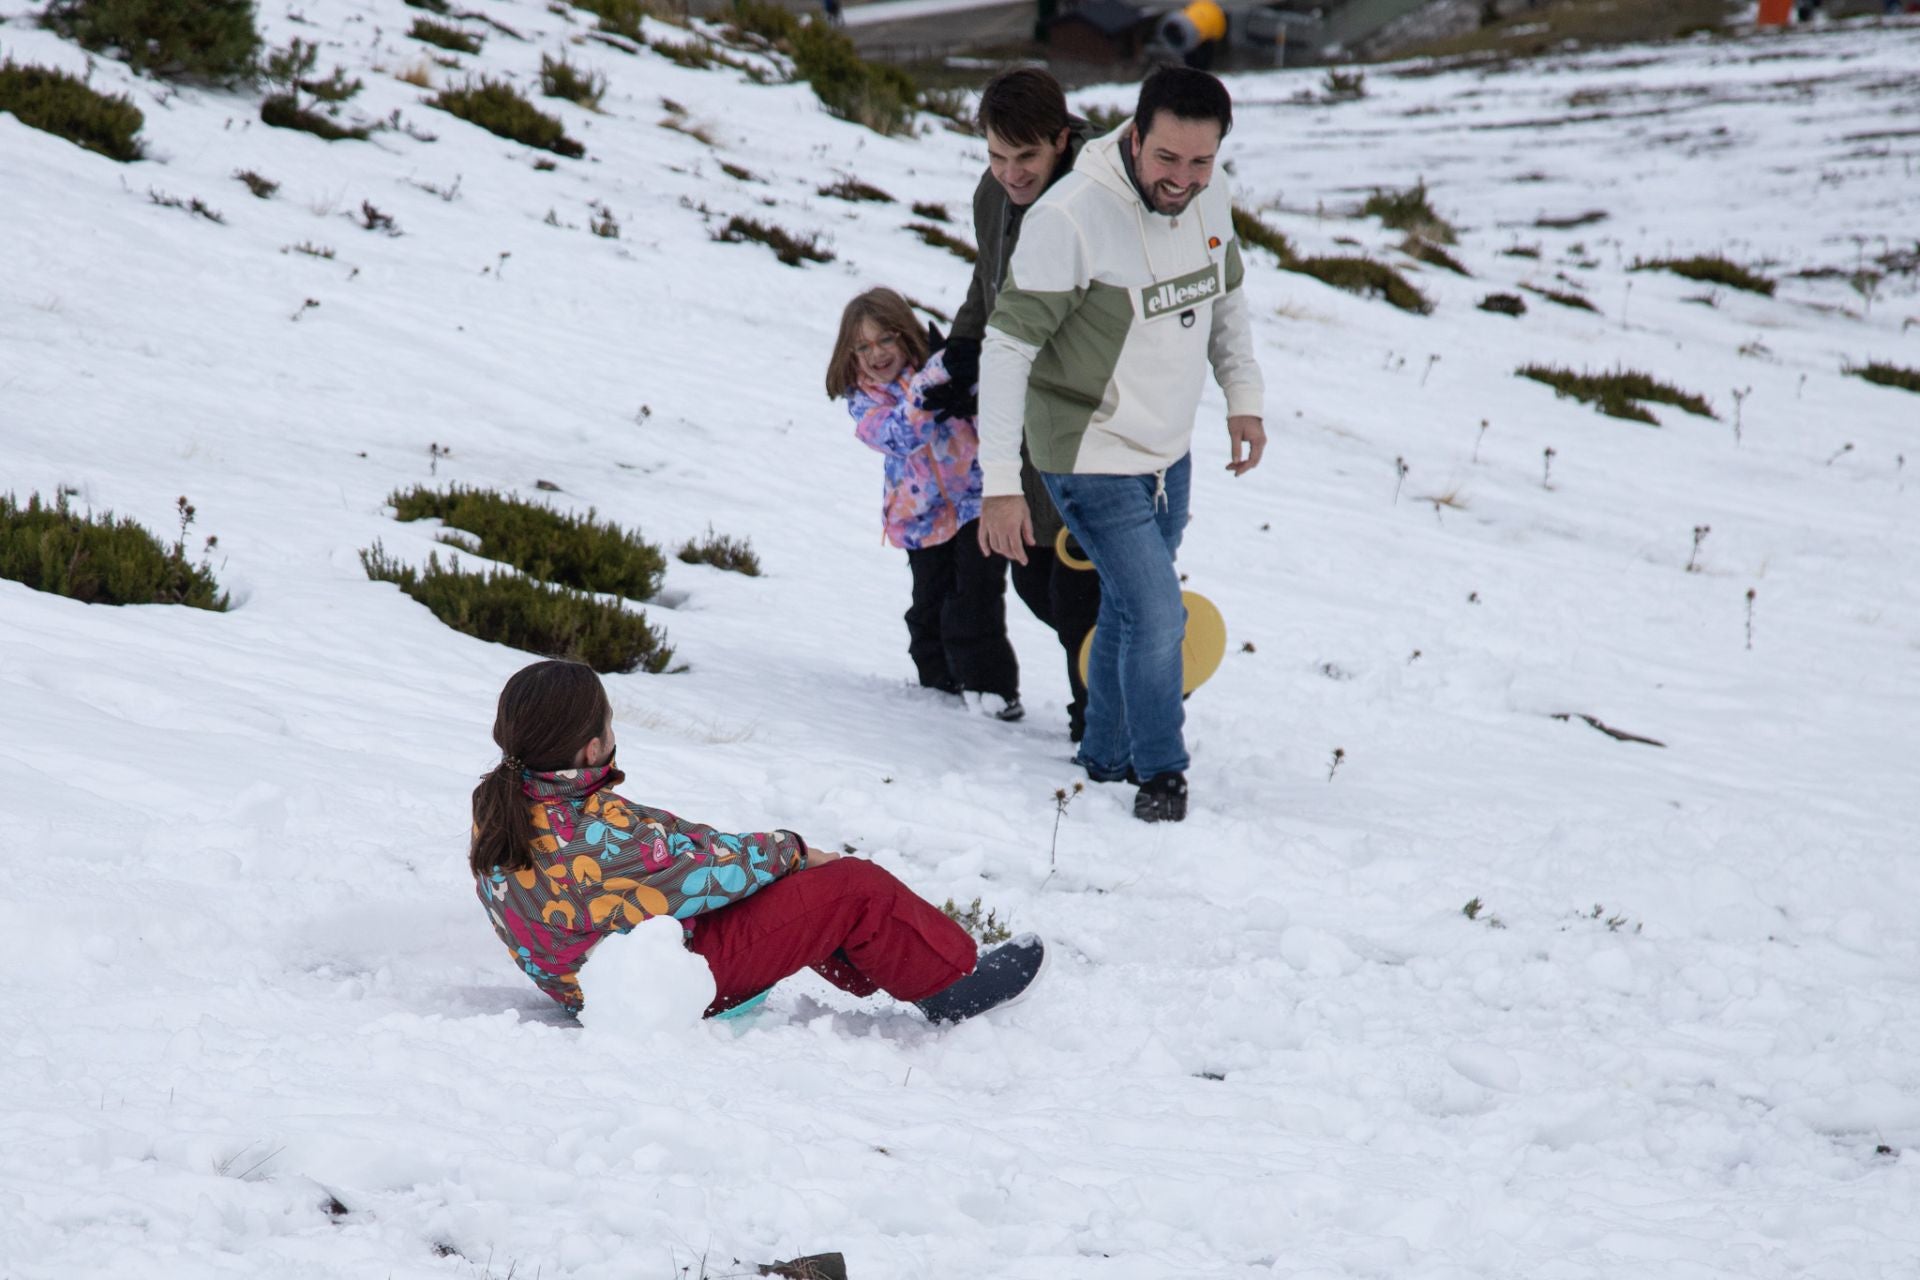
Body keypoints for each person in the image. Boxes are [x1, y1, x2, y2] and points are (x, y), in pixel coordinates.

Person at [977, 67, 1267, 824]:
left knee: (1130, 612)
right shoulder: (1071, 216)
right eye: (1167, 158)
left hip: (1167, 450)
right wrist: (1001, 486)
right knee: (1159, 611)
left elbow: (1224, 298)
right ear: (1134, 137)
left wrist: (1243, 397)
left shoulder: (1214, 194)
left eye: (1200, 162)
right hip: (1084, 447)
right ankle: (1160, 771)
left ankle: (1103, 754)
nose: (1183, 178)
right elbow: (1006, 348)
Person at [471, 659, 1045, 1022]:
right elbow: (696, 873)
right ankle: (952, 986)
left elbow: (678, 848)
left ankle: (887, 963)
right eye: (610, 723)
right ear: (592, 749)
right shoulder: (592, 834)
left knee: (786, 883)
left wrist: (778, 860)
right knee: (852, 887)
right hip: (653, 988)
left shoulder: (514, 801)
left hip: (607, 975)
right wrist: (792, 851)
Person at [922, 67, 1102, 743]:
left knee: (1077, 578)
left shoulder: (1096, 199)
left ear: (1060, 139)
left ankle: (1103, 711)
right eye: (996, 155)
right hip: (1015, 413)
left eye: (1026, 157)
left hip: (1083, 419)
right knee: (1034, 574)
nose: (1010, 172)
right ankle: (1123, 667)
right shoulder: (991, 195)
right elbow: (987, 277)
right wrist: (966, 345)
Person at [828, 287, 1023, 721]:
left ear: (906, 334)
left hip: (978, 501)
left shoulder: (943, 368)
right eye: (862, 346)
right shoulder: (865, 402)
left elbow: (992, 401)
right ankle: (940, 694)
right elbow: (902, 435)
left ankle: (992, 692)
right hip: (919, 518)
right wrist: (928, 388)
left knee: (974, 597)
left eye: (885, 340)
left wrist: (960, 374)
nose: (876, 354)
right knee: (929, 607)